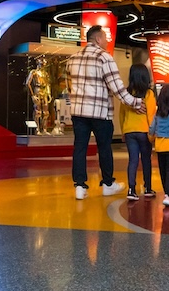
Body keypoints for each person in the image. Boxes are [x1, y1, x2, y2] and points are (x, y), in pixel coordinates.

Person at [66, 25, 144, 200]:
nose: (107, 41)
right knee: (104, 148)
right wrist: (135, 103)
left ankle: (80, 186)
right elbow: (117, 88)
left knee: (80, 148)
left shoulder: (72, 58)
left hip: (78, 112)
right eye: (105, 38)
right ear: (98, 39)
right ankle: (108, 184)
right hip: (100, 112)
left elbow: (69, 85)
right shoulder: (104, 58)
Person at [118, 63, 157, 200]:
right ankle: (147, 188)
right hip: (144, 131)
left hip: (129, 131)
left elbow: (121, 114)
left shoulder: (126, 94)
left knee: (133, 160)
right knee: (146, 159)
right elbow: (151, 115)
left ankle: (131, 189)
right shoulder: (148, 94)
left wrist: (123, 131)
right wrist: (153, 133)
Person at [25, 57, 52, 135]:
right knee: (38, 111)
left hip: (44, 91)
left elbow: (47, 84)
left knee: (46, 112)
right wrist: (32, 95)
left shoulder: (45, 73)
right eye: (41, 63)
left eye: (44, 64)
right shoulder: (34, 72)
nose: (43, 65)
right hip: (37, 90)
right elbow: (28, 83)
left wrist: (49, 94)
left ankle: (44, 129)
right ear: (38, 63)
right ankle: (37, 129)